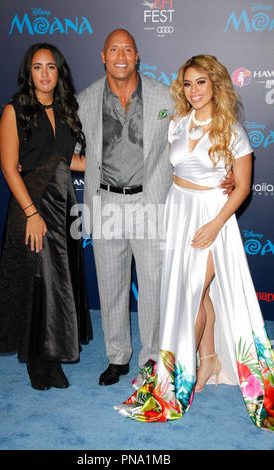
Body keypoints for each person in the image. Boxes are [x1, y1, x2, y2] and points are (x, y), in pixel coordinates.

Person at [115, 55, 274, 432]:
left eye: (201, 82)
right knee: (199, 295)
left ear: (215, 84)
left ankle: (180, 375)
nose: (194, 90)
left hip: (213, 217)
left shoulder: (232, 131)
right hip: (178, 210)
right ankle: (210, 359)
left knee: (194, 289)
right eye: (188, 84)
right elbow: (169, 169)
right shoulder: (177, 124)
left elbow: (244, 186)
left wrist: (216, 223)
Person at [76, 30, 233, 386]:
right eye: (113, 49)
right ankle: (117, 357)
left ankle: (151, 358)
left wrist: (228, 173)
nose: (120, 55)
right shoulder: (83, 100)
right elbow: (60, 144)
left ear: (137, 56)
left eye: (127, 49)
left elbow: (204, 130)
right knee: (111, 285)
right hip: (105, 204)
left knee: (152, 288)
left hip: (152, 203)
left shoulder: (167, 96)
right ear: (103, 56)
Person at [0, 43, 92, 391]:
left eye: (51, 67)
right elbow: (8, 166)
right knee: (37, 281)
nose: (45, 74)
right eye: (37, 67)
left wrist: (114, 168)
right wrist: (31, 212)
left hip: (63, 204)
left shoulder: (66, 110)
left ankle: (53, 355)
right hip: (30, 204)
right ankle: (36, 359)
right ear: (27, 72)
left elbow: (70, 161)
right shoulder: (14, 110)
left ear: (59, 72)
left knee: (58, 282)